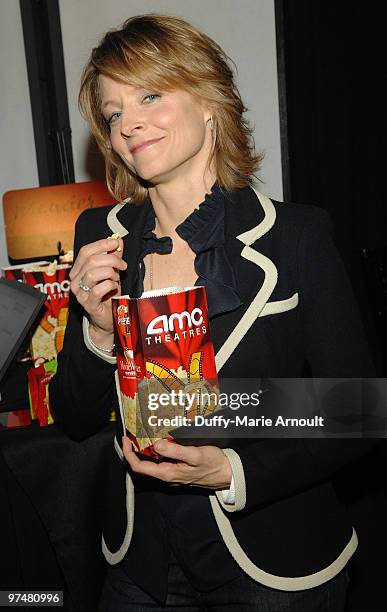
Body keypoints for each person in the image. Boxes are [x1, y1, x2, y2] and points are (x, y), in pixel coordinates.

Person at [50, 13, 376, 611]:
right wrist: (99, 330)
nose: (129, 124)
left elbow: (355, 407)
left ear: (210, 101)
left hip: (271, 564)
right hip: (140, 561)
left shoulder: (296, 235)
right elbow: (74, 418)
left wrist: (231, 470)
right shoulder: (101, 236)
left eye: (150, 94)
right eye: (113, 111)